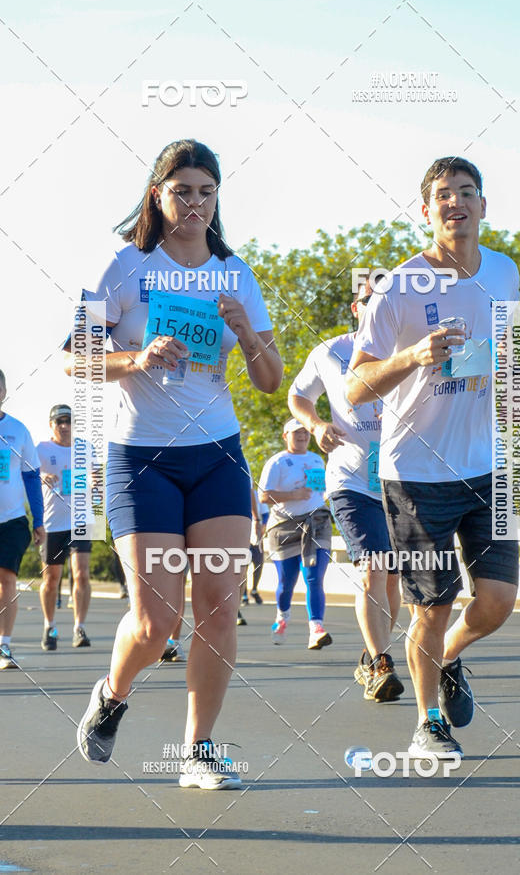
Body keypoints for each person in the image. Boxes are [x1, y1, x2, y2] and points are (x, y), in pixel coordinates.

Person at [69, 139, 282, 789]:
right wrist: (134, 359)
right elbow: (75, 360)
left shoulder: (235, 271)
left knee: (218, 605)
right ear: (157, 195)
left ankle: (199, 750)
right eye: (182, 189)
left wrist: (247, 334)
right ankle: (112, 690)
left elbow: (271, 380)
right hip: (143, 459)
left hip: (217, 454)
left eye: (206, 192)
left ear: (217, 200)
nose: (194, 202)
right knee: (158, 619)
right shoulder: (123, 267)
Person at [347, 156, 520, 758]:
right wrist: (413, 357)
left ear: (483, 206)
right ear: (426, 211)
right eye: (443, 195)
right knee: (433, 603)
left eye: (467, 193)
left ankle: (449, 658)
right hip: (417, 472)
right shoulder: (395, 287)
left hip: (492, 465)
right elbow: (354, 386)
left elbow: (505, 351)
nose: (456, 203)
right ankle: (429, 724)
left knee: (498, 601)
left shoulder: (503, 273)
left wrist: (513, 387)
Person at [288, 281, 404, 702]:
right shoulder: (330, 352)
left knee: (392, 581)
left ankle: (371, 657)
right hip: (350, 480)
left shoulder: (408, 349)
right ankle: (381, 663)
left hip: (400, 479)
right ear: (357, 308)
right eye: (371, 303)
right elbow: (297, 395)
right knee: (373, 568)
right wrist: (316, 425)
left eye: (386, 303)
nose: (378, 309)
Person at [259, 419, 332, 650]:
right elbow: (264, 497)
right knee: (286, 581)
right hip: (284, 526)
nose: (301, 436)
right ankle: (282, 617)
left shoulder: (316, 459)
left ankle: (316, 629)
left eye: (305, 432)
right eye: (296, 433)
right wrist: (293, 495)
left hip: (315, 522)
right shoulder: (277, 462)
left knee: (313, 576)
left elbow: (320, 490)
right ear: (285, 436)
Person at [37, 404, 93, 650]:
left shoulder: (85, 448)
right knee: (51, 579)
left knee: (81, 573)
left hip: (81, 520)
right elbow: (28, 472)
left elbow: (96, 476)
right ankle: (50, 626)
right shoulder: (41, 449)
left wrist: (94, 480)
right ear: (51, 425)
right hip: (52, 523)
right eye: (59, 421)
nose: (64, 426)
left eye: (68, 421)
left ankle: (79, 627)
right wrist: (42, 476)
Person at [0, 369, 45, 669]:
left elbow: (31, 477)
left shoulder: (18, 430)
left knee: (6, 579)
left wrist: (38, 520)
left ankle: (4, 646)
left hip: (12, 520)